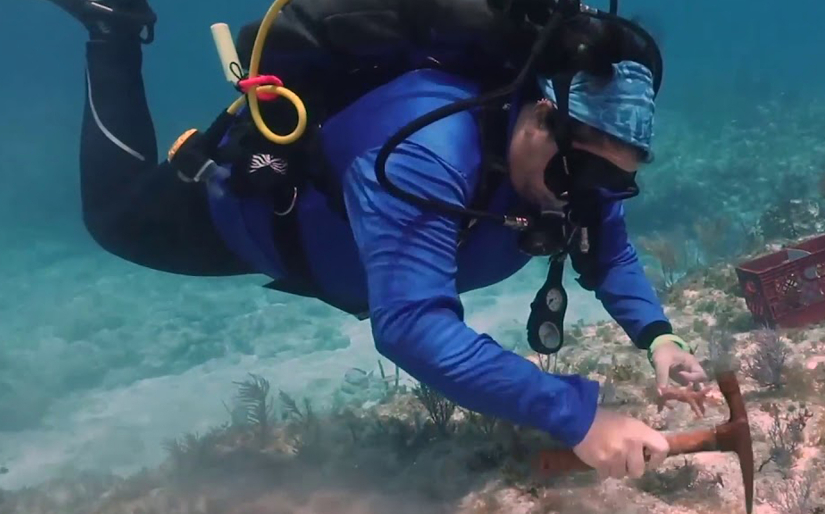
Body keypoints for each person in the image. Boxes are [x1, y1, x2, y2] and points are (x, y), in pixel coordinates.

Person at [47, 0, 710, 479]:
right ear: (541, 115)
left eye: (613, 182)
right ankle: (115, 28)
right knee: (114, 217)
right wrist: (580, 419)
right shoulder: (424, 145)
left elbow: (609, 248)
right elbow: (412, 328)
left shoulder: (577, 167)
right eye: (582, 170)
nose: (583, 193)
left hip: (347, 260)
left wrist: (659, 337)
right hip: (252, 227)